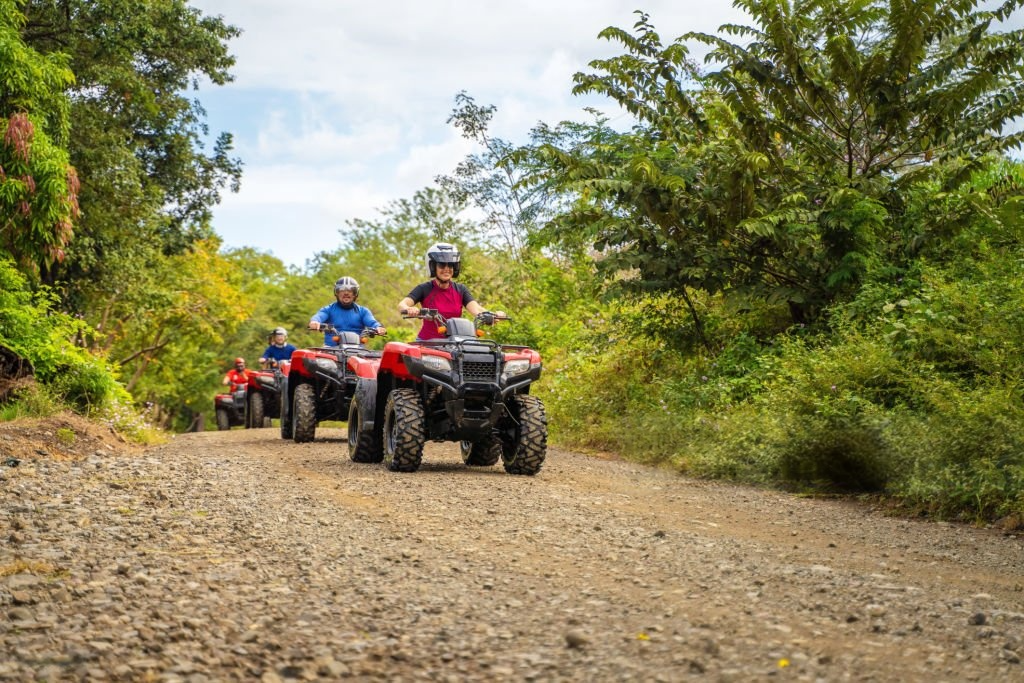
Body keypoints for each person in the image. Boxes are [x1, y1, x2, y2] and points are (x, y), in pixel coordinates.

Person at [397, 242, 505, 341]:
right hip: (428, 343)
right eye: (442, 265)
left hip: (455, 342)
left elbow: (477, 309)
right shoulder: (424, 288)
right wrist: (409, 309)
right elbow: (402, 304)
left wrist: (493, 315)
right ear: (433, 267)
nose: (447, 269)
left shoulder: (461, 289)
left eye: (450, 265)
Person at [308, 276, 386, 346]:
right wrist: (314, 321)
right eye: (342, 290)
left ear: (355, 294)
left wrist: (378, 327)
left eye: (350, 290)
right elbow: (319, 316)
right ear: (337, 293)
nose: (346, 293)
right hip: (330, 350)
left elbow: (372, 322)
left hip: (358, 352)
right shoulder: (328, 309)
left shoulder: (363, 311)